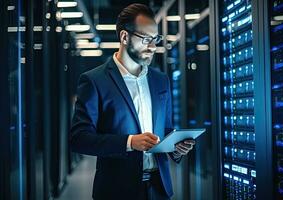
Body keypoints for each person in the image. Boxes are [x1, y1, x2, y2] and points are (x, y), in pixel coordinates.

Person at [70, 3, 195, 200]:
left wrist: (176, 147)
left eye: (155, 39)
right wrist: (129, 142)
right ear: (124, 37)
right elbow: (79, 139)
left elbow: (166, 129)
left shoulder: (160, 80)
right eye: (146, 39)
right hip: (116, 191)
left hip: (159, 189)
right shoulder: (95, 80)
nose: (153, 47)